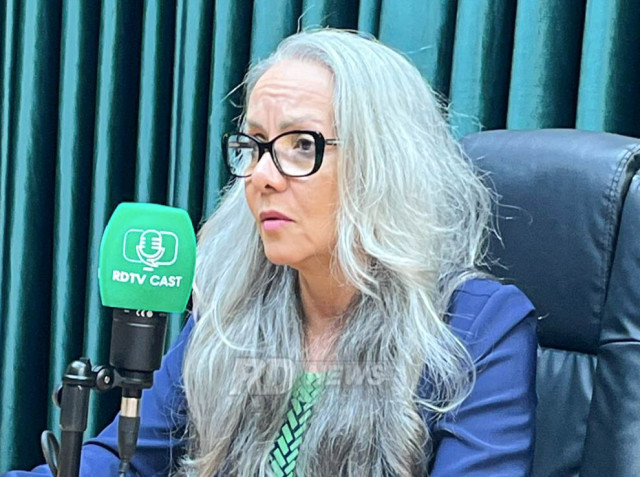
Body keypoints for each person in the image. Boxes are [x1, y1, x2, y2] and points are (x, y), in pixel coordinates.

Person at [4, 28, 537, 476]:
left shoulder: (479, 327)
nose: (261, 176)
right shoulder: (231, 307)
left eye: (302, 145)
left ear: (384, 165)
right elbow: (120, 460)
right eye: (255, 145)